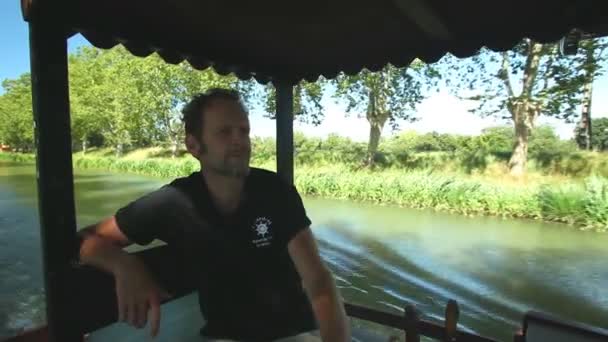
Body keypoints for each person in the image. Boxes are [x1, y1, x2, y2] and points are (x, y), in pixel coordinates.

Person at [77, 88, 350, 342]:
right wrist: (124, 266)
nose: (240, 141)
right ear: (194, 146)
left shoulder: (275, 192)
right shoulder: (173, 203)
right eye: (225, 132)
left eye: (244, 131)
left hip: (292, 334)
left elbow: (316, 278)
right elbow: (86, 239)